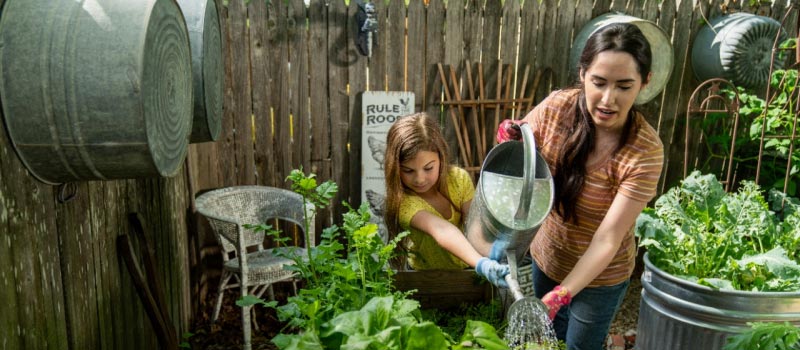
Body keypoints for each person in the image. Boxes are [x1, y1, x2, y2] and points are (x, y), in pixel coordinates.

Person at [497, 23, 664, 349]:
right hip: (548, 257)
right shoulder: (557, 108)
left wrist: (562, 294)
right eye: (598, 82)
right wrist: (511, 141)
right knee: (551, 339)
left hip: (602, 276)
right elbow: (520, 160)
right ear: (583, 73)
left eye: (624, 87)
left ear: (645, 83)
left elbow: (608, 238)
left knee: (580, 344)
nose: (607, 99)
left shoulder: (645, 151)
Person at [383, 112, 509, 288]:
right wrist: (482, 264)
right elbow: (441, 229)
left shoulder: (458, 179)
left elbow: (475, 224)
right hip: (424, 278)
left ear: (441, 157)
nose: (419, 179)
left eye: (428, 168)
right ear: (395, 168)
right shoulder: (404, 203)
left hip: (468, 269)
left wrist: (491, 251)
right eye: (408, 171)